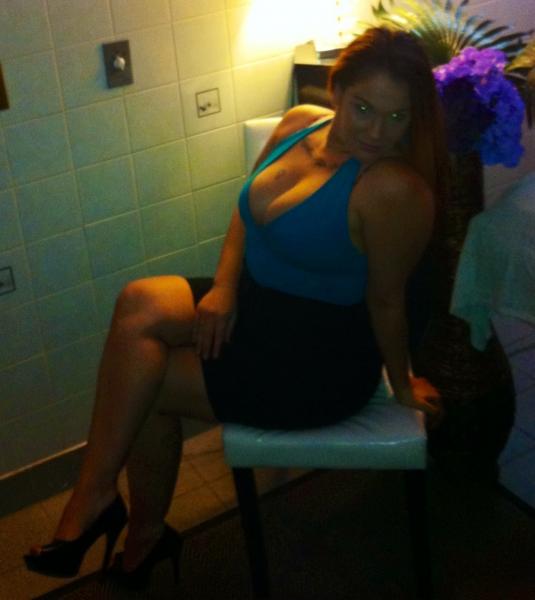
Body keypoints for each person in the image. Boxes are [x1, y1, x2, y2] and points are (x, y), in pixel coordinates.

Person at [25, 26, 446, 589]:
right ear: (337, 89)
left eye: (396, 117)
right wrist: (223, 286)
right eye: (364, 108)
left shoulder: (392, 188)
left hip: (313, 359)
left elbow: (389, 301)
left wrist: (402, 381)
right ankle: (101, 501)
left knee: (145, 383)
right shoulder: (300, 124)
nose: (377, 132)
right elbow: (246, 210)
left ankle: (134, 533)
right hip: (255, 303)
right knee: (138, 303)